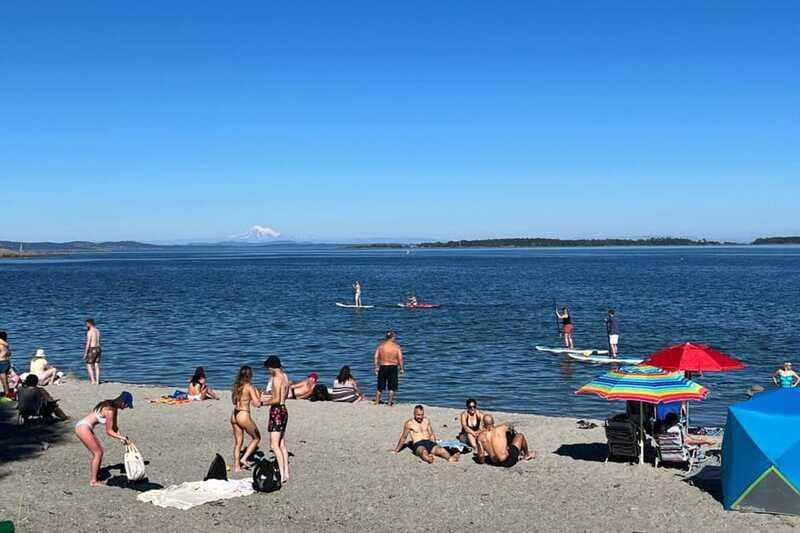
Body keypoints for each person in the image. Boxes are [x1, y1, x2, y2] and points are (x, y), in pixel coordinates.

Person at [74, 391, 133, 486]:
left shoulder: (112, 406)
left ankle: (96, 475)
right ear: (122, 402)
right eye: (127, 405)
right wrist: (121, 437)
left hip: (84, 426)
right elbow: (109, 432)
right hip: (83, 427)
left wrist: (120, 438)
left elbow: (114, 428)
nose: (126, 407)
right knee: (98, 453)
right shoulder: (110, 411)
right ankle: (93, 481)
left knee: (98, 452)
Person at [390, 405, 460, 464]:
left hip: (429, 442)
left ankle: (450, 458)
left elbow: (431, 434)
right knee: (424, 453)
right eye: (418, 415)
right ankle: (429, 459)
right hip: (418, 444)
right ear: (414, 414)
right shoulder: (409, 423)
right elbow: (403, 437)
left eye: (422, 415)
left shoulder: (426, 420)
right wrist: (396, 450)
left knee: (442, 451)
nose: (420, 417)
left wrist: (435, 444)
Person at [263, 356, 290, 484]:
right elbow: (285, 395)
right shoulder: (285, 376)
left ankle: (281, 473)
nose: (268, 371)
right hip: (284, 409)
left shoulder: (275, 378)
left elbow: (276, 399)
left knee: (274, 444)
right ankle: (286, 472)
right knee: (282, 443)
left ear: (271, 367)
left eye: (268, 368)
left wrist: (262, 403)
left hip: (277, 411)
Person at [230, 366, 262, 472]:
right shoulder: (249, 387)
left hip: (234, 414)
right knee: (257, 438)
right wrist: (259, 394)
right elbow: (257, 403)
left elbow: (234, 402)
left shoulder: (236, 387)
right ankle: (243, 459)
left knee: (238, 443)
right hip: (243, 414)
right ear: (250, 375)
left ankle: (236, 466)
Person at [374, 331, 404, 406]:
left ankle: (377, 402)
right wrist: (401, 368)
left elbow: (376, 357)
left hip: (383, 366)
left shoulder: (381, 346)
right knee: (392, 387)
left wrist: (376, 367)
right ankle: (389, 403)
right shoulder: (396, 346)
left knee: (380, 386)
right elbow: (400, 358)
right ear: (393, 337)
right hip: (393, 367)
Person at [84, 318, 102, 385]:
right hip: (98, 348)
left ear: (89, 324)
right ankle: (97, 381)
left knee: (88, 364)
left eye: (86, 324)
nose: (86, 325)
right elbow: (99, 341)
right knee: (97, 365)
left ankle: (93, 380)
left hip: (92, 348)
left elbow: (88, 343)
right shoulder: (98, 331)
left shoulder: (90, 332)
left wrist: (85, 353)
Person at [0, 331, 11, 398]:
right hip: (7, 362)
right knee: (6, 381)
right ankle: (8, 393)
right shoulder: (6, 345)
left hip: (1, 362)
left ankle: (7, 395)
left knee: (3, 381)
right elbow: (9, 354)